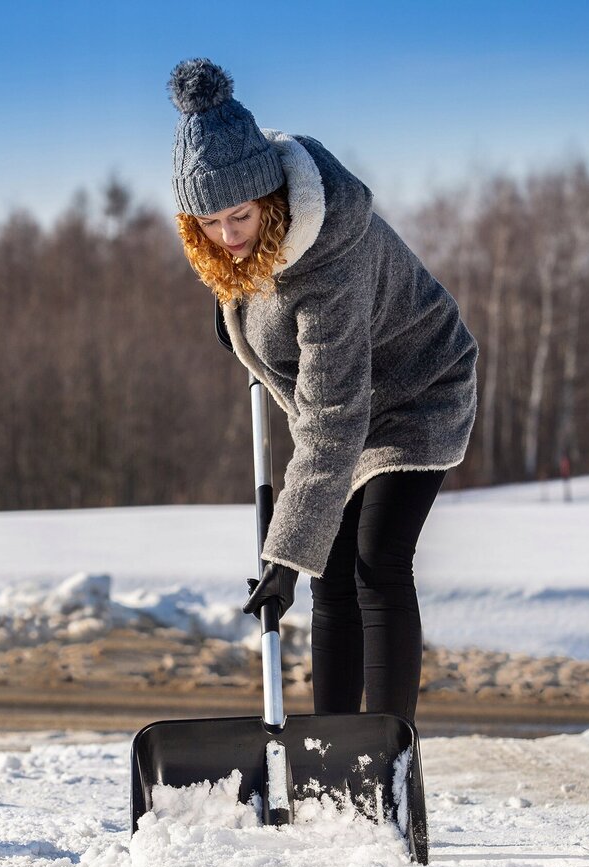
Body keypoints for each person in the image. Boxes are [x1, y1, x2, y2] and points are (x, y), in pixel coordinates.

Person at [167, 58, 478, 724]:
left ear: (271, 197)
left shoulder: (327, 256)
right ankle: (333, 752)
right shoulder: (243, 246)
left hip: (416, 391)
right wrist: (240, 321)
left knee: (375, 562)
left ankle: (388, 756)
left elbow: (333, 419)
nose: (229, 236)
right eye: (212, 223)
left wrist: (280, 555)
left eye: (241, 216)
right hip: (349, 404)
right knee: (329, 578)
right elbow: (309, 374)